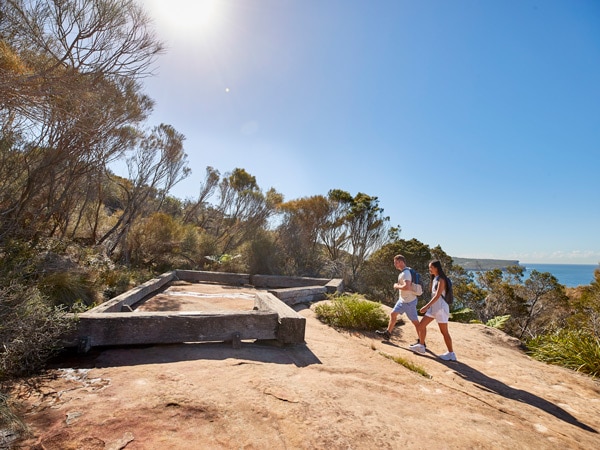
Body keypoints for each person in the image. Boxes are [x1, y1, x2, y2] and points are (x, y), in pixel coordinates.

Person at [410, 260, 456, 361]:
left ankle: (451, 353)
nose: (429, 269)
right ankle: (421, 346)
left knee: (444, 332)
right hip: (434, 308)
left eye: (431, 267)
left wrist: (426, 306)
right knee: (421, 326)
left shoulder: (442, 279)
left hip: (441, 309)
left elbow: (437, 295)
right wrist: (429, 307)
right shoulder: (435, 278)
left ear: (436, 268)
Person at [375, 254, 421, 342]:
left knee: (415, 322)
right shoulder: (403, 273)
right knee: (393, 314)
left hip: (409, 302)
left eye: (395, 262)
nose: (394, 264)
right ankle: (387, 334)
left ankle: (421, 341)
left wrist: (396, 286)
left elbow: (407, 287)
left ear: (400, 262)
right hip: (403, 300)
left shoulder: (406, 273)